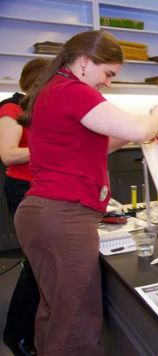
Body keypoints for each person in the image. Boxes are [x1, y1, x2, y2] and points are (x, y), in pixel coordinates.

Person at [14, 30, 158, 356]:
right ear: (84, 63)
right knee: (76, 325)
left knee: (55, 312)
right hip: (63, 216)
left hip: (43, 214)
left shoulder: (53, 88)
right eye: (108, 73)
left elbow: (97, 147)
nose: (109, 83)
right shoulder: (72, 91)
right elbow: (140, 127)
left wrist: (135, 134)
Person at [0, 58, 51, 356]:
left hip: (43, 189)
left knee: (41, 264)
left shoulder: (40, 109)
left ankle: (31, 328)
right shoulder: (11, 108)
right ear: (34, 83)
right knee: (35, 264)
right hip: (23, 190)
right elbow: (7, 154)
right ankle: (16, 334)